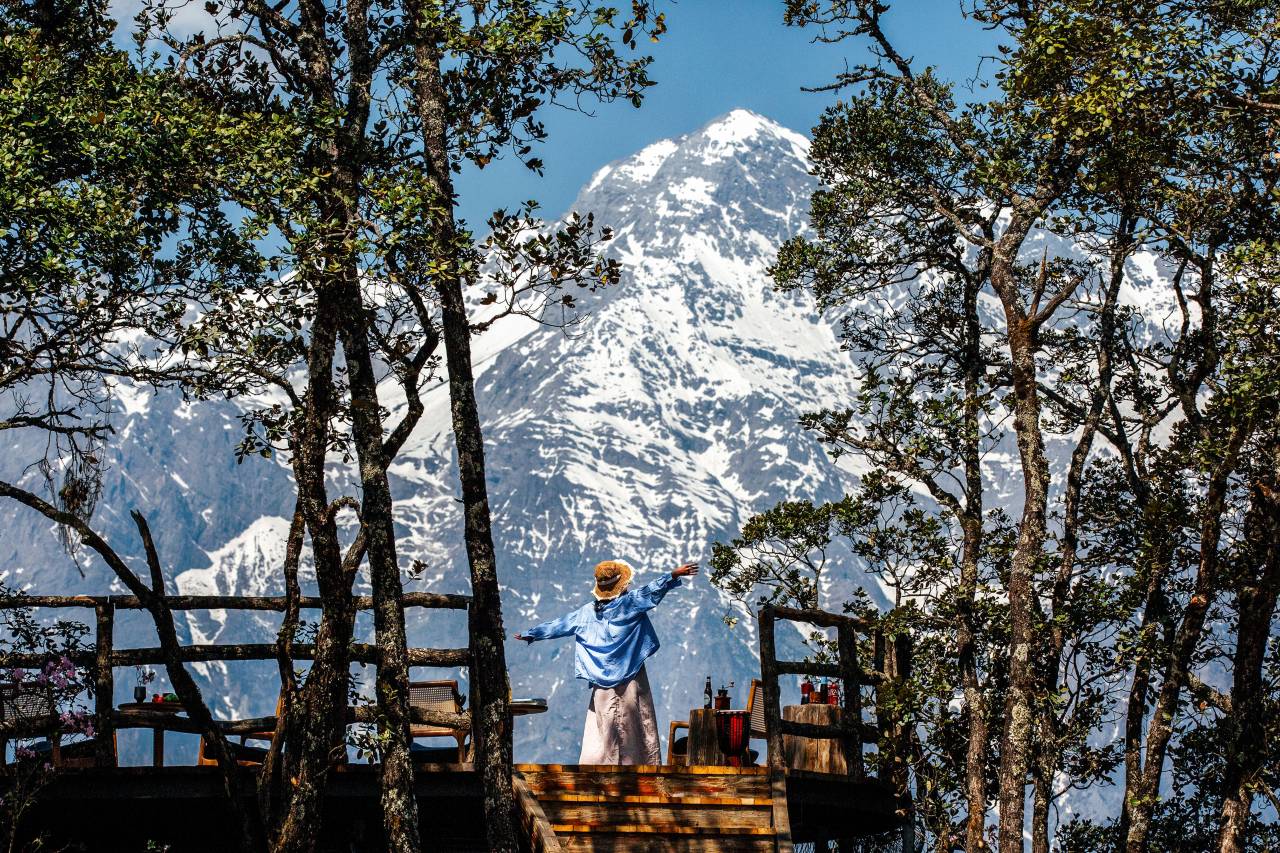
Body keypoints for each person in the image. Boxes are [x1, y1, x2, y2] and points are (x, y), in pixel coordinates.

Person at [515, 559, 698, 765]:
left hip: (600, 679)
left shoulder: (585, 614)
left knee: (602, 726)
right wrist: (673, 575)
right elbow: (651, 592)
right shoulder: (630, 604)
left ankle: (601, 769)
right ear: (621, 586)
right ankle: (636, 770)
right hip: (631, 675)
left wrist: (531, 634)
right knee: (636, 724)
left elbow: (559, 625)